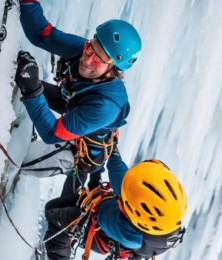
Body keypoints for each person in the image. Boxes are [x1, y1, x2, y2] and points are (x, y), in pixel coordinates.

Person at [15, 0, 142, 190]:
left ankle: (73, 169)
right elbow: (42, 34)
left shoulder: (105, 106)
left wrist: (32, 89)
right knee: (23, 77)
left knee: (22, 162)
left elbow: (51, 133)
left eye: (99, 60)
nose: (88, 60)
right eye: (91, 47)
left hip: (84, 153)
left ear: (112, 69)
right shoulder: (85, 50)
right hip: (73, 102)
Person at [43, 147, 187, 260]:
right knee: (84, 177)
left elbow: (98, 209)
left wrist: (97, 166)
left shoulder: (128, 231)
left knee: (54, 212)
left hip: (104, 230)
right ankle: (83, 164)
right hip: (117, 220)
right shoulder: (171, 214)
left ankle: (54, 256)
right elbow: (123, 181)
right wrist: (112, 150)